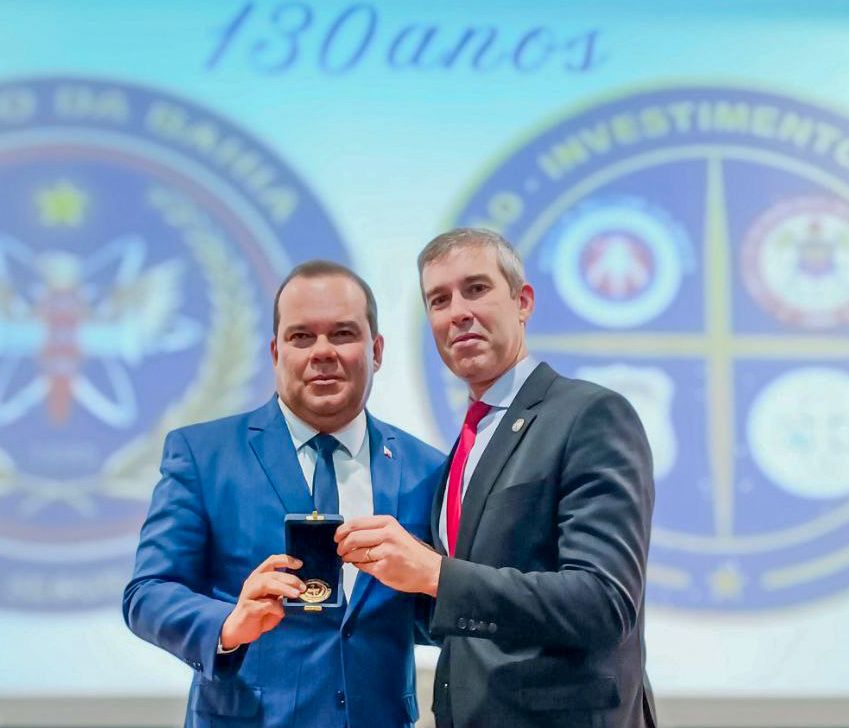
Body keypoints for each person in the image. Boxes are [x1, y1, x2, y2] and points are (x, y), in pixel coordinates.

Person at [335, 228, 657, 727]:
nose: (458, 312)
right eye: (439, 300)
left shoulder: (589, 415)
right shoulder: (466, 446)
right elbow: (471, 617)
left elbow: (603, 603)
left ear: (522, 301)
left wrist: (436, 574)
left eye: (476, 289)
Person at [124, 260, 444, 728]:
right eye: (301, 337)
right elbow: (148, 593)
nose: (323, 352)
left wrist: (433, 578)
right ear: (276, 352)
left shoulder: (428, 469)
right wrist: (229, 625)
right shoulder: (203, 455)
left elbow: (437, 616)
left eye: (342, 334)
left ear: (376, 350)